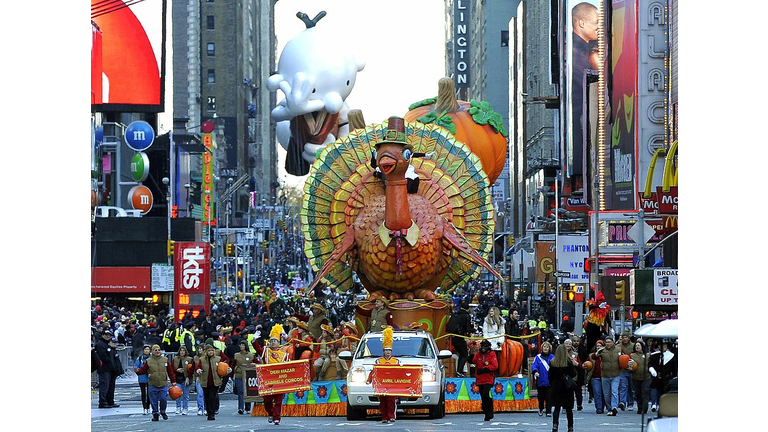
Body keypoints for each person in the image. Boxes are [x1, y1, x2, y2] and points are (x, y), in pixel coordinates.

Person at [570, 1, 599, 180]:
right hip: (583, 126)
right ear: (581, 23)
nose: (600, 27)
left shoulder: (585, 49)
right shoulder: (576, 52)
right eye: (596, 23)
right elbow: (592, 82)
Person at [254, 324, 290, 425]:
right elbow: (257, 349)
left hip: (279, 380)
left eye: (275, 341)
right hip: (267, 379)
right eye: (272, 341)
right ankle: (270, 413)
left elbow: (289, 367)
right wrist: (254, 340)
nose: (273, 342)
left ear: (279, 343)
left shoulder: (284, 354)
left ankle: (277, 417)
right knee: (267, 400)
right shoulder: (266, 351)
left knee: (278, 401)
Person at [366, 326, 400, 423]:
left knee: (391, 401)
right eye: (386, 350)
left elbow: (399, 373)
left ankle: (391, 415)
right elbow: (374, 371)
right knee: (383, 402)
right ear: (383, 351)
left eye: (389, 350)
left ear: (391, 351)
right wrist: (369, 380)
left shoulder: (396, 361)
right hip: (381, 385)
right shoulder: (378, 361)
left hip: (391, 385)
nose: (387, 352)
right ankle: (384, 417)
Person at [136, 344, 176, 421]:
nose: (157, 351)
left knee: (163, 399)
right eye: (155, 350)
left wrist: (173, 381)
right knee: (153, 401)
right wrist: (138, 371)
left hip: (163, 383)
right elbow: (143, 370)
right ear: (152, 352)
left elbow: (170, 371)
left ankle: (163, 411)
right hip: (152, 383)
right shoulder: (148, 361)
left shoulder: (165, 360)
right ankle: (155, 414)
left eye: (158, 350)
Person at [195, 344, 231, 421]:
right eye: (209, 350)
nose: (210, 352)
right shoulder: (202, 359)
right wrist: (198, 370)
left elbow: (223, 367)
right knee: (207, 398)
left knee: (212, 397)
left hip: (215, 381)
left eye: (212, 350)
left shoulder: (218, 359)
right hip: (205, 381)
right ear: (206, 352)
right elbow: (198, 367)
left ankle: (212, 414)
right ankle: (209, 412)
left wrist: (227, 371)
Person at [549, 344, 577, 432]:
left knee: (557, 408)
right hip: (567, 388)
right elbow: (573, 374)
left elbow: (550, 376)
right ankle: (570, 426)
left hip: (556, 387)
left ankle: (555, 425)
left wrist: (552, 384)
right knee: (568, 409)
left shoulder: (553, 363)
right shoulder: (568, 362)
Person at [472, 339, 498, 421]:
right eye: (482, 346)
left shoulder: (492, 354)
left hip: (488, 378)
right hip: (480, 378)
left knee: (486, 393)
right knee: (483, 396)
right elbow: (474, 360)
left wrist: (484, 369)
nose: (483, 348)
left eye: (485, 346)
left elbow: (495, 366)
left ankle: (490, 410)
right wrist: (470, 358)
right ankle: (486, 412)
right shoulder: (478, 354)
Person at [595, 336, 621, 416]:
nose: (608, 344)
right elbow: (594, 357)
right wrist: (598, 352)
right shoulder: (602, 351)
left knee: (614, 391)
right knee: (606, 393)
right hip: (605, 375)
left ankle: (614, 407)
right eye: (606, 342)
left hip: (616, 374)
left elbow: (625, 357)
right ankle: (609, 408)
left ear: (613, 342)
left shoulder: (618, 350)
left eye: (610, 342)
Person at [447, 301, 473, 377]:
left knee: (460, 353)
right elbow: (468, 328)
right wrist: (472, 329)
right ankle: (459, 371)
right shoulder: (466, 316)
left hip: (452, 337)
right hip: (459, 337)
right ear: (467, 309)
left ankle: (460, 371)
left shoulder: (455, 314)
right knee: (464, 354)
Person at [95, 329, 119, 408]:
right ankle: (103, 402)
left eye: (109, 335)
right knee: (104, 386)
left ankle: (109, 401)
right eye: (106, 335)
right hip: (104, 368)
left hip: (110, 368)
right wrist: (110, 360)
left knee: (110, 386)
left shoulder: (107, 343)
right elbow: (103, 356)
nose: (108, 336)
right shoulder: (100, 344)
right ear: (102, 335)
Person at [232, 340, 256, 415]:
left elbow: (257, 362)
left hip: (248, 375)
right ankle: (240, 408)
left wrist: (253, 364)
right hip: (239, 375)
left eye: (242, 345)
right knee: (241, 391)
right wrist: (231, 374)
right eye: (240, 345)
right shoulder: (236, 355)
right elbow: (233, 365)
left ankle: (247, 407)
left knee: (247, 392)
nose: (241, 346)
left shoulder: (251, 355)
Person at [531, 341, 554, 417]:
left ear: (549, 348)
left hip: (550, 380)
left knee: (549, 396)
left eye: (547, 347)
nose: (546, 348)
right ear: (542, 348)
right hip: (541, 380)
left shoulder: (552, 357)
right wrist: (535, 372)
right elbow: (534, 366)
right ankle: (541, 408)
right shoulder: (538, 357)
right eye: (544, 347)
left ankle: (548, 411)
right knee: (540, 396)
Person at [630, 340, 651, 415]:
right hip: (636, 377)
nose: (637, 347)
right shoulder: (632, 355)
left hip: (647, 376)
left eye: (639, 345)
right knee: (638, 393)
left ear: (642, 346)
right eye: (636, 346)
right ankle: (640, 407)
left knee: (645, 391)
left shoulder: (648, 355)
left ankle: (645, 408)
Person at [172, 346, 193, 415]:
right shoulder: (175, 359)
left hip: (185, 378)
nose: (182, 352)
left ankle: (185, 408)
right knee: (177, 394)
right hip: (177, 378)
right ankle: (178, 407)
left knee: (186, 395)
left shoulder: (189, 359)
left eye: (183, 351)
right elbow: (171, 368)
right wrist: (177, 370)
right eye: (181, 350)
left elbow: (191, 369)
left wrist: (188, 377)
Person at [617, 331, 635, 411]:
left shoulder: (633, 346)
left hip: (632, 369)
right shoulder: (618, 347)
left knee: (631, 387)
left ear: (629, 338)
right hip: (622, 370)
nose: (625, 339)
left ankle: (630, 403)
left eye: (626, 337)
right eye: (623, 337)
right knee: (623, 387)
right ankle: (623, 402)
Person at [564, 337, 583, 410]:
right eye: (566, 344)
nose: (568, 345)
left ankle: (576, 405)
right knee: (565, 391)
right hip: (563, 375)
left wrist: (577, 364)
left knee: (574, 391)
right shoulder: (560, 353)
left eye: (569, 344)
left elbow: (580, 365)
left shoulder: (575, 354)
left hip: (573, 375)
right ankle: (565, 405)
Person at [587, 339, 605, 414]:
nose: (598, 347)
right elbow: (587, 362)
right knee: (597, 392)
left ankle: (603, 405)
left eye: (600, 346)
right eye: (597, 346)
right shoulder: (592, 355)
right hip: (595, 377)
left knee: (604, 393)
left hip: (605, 377)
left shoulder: (606, 355)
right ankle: (599, 408)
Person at [134, 344, 152, 415]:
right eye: (145, 349)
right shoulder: (140, 358)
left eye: (148, 349)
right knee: (143, 393)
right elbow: (136, 366)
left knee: (149, 393)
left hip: (150, 377)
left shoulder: (151, 358)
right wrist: (137, 370)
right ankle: (144, 407)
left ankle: (148, 406)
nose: (146, 351)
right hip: (142, 377)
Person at [192, 344, 207, 416]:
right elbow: (192, 368)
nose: (200, 350)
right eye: (198, 349)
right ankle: (200, 408)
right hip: (198, 377)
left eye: (201, 348)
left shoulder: (206, 357)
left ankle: (206, 408)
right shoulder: (195, 358)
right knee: (200, 394)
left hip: (206, 377)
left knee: (206, 394)